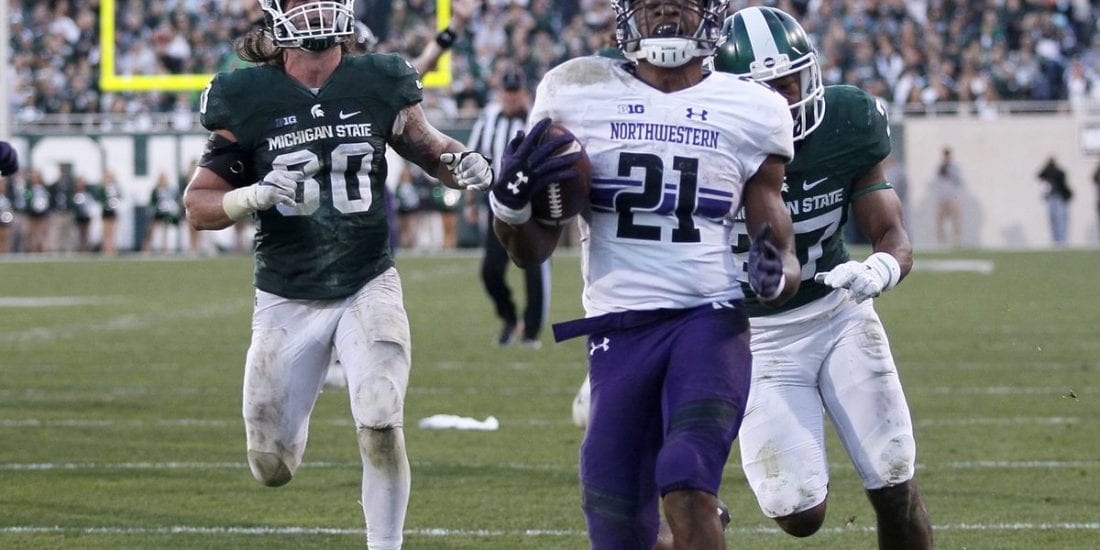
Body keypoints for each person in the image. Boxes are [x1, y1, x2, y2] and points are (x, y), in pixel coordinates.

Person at [181, 1, 493, 548]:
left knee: (380, 414)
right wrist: (253, 195)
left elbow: (431, 148)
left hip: (367, 280)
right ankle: (296, 410)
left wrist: (460, 161)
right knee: (270, 464)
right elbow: (198, 205)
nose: (316, 8)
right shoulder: (246, 93)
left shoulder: (379, 78)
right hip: (286, 294)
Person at [490, 1, 801, 547]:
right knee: (616, 525)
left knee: (686, 477)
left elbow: (781, 250)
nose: (664, 9)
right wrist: (509, 208)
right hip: (618, 330)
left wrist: (775, 274)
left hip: (708, 321)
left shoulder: (752, 108)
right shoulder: (575, 89)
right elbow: (530, 252)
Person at [713, 7, 933, 548]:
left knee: (894, 479)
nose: (782, 102)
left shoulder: (846, 120)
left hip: (839, 317)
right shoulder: (703, 141)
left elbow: (892, 232)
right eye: (763, 91)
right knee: (799, 514)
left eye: (788, 83)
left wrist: (882, 267)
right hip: (755, 338)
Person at [464, 67, 550, 347]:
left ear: (525, 92)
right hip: (499, 203)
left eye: (516, 91)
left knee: (535, 268)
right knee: (490, 270)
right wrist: (470, 201)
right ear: (500, 93)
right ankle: (510, 319)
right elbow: (474, 159)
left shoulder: (539, 117)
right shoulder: (488, 118)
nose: (512, 97)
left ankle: (531, 333)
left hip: (533, 204)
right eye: (507, 91)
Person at [931, 147, 964, 247]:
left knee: (956, 220)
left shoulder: (955, 167)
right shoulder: (939, 167)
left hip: (952, 197)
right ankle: (940, 242)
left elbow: (958, 180)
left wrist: (949, 172)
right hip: (942, 198)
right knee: (939, 221)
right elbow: (936, 181)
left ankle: (957, 241)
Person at [1037, 156, 1072, 245]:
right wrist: (1047, 168)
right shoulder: (1047, 173)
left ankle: (1062, 241)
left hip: (1059, 198)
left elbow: (1063, 182)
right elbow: (1039, 175)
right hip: (1051, 198)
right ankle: (1056, 241)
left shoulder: (1059, 172)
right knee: (1053, 219)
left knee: (1060, 220)